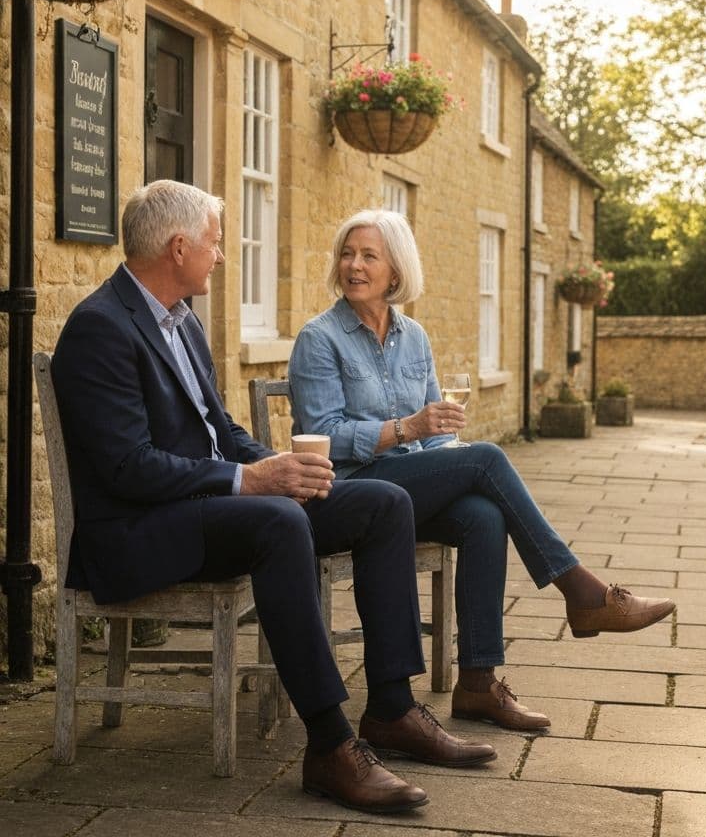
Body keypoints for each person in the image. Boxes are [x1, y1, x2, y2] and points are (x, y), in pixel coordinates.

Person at [51, 180, 498, 816]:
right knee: (279, 521)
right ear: (179, 249)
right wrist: (250, 482)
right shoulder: (100, 328)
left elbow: (222, 432)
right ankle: (329, 744)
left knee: (378, 502)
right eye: (214, 242)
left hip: (209, 509)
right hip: (139, 532)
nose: (221, 254)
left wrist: (280, 464)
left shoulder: (182, 322)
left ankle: (393, 708)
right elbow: (130, 470)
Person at [288, 209, 675, 732]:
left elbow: (436, 429)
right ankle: (582, 593)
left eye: (368, 256)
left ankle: (477, 685)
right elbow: (324, 437)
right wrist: (408, 429)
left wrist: (446, 443)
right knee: (488, 458)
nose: (353, 265)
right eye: (347, 254)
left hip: (409, 485)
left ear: (396, 270)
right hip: (352, 489)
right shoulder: (320, 338)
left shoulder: (414, 337)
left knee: (482, 515)